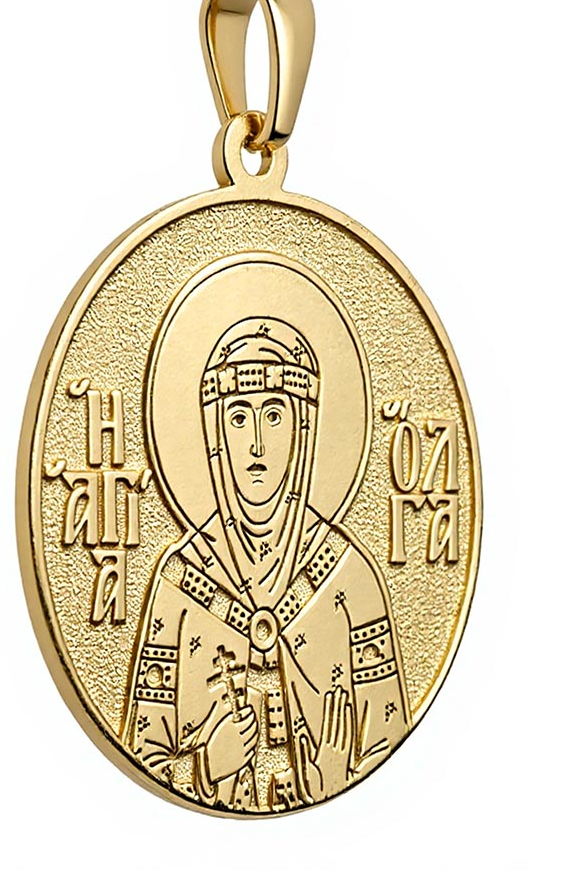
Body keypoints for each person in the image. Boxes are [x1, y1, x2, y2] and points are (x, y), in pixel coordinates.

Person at [123, 315, 409, 811]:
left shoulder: (349, 576)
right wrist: (206, 766)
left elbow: (391, 745)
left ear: (303, 428)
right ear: (215, 434)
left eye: (274, 415)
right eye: (238, 417)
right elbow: (140, 758)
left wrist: (340, 785)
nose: (256, 444)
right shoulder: (181, 582)